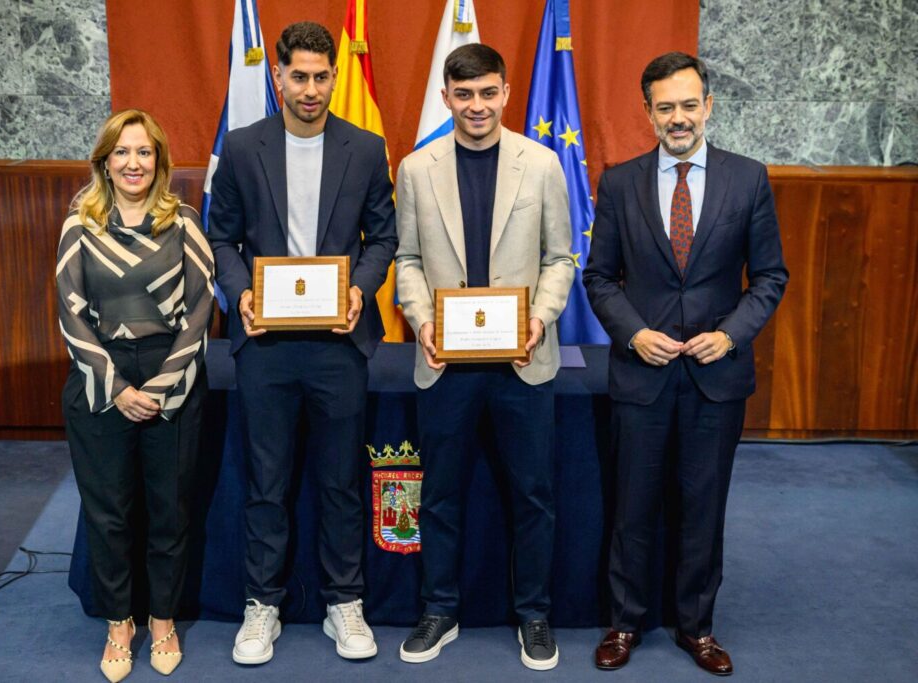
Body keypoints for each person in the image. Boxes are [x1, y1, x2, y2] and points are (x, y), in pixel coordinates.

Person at [583, 52, 788, 676]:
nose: (679, 117)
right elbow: (599, 278)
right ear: (647, 113)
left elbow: (770, 277)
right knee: (632, 506)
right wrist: (634, 333)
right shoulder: (619, 182)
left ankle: (697, 627)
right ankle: (624, 623)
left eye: (689, 104)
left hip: (715, 378)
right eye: (665, 106)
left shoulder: (747, 179)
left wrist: (728, 337)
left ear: (709, 106)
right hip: (641, 376)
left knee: (704, 506)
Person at [207, 21, 397, 664]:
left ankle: (346, 603)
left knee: (342, 480)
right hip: (264, 343)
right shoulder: (240, 148)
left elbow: (384, 240)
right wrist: (243, 296)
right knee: (267, 480)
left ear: (334, 77)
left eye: (322, 77)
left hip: (339, 342)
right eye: (299, 76)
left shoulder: (367, 149)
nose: (311, 89)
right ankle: (262, 605)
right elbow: (221, 240)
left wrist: (359, 291)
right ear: (278, 77)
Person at [393, 43, 574, 671]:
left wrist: (539, 318)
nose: (477, 105)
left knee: (533, 495)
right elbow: (407, 260)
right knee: (440, 495)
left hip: (523, 361)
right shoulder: (416, 169)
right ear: (446, 97)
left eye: (488, 92)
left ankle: (535, 615)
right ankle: (439, 610)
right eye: (463, 94)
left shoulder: (543, 163)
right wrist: (421, 323)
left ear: (505, 93)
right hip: (445, 361)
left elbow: (560, 258)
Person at [56, 109, 215, 682]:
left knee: (170, 512)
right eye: (121, 152)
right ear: (105, 160)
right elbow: (70, 314)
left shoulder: (185, 224)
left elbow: (201, 312)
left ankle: (164, 620)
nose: (132, 163)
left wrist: (162, 386)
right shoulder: (80, 226)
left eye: (143, 152)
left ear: (159, 161)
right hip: (101, 384)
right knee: (110, 514)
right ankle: (119, 622)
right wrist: (118, 389)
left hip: (172, 374)